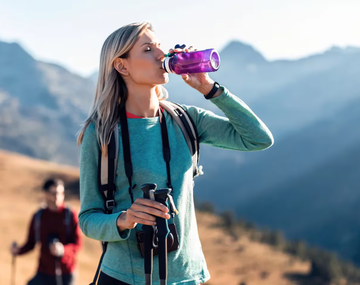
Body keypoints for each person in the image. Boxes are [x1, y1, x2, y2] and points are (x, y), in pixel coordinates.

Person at [77, 22, 274, 285]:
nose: (161, 55)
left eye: (160, 46)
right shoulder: (101, 133)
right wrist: (125, 219)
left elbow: (259, 139)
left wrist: (209, 89)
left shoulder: (185, 120)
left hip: (187, 276)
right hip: (124, 277)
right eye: (148, 49)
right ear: (122, 66)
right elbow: (89, 218)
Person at [10, 179, 81, 285]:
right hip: (43, 272)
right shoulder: (39, 216)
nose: (57, 197)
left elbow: (77, 245)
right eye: (54, 193)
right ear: (45, 194)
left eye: (60, 193)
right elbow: (31, 243)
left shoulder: (70, 215)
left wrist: (63, 250)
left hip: (65, 273)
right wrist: (18, 250)